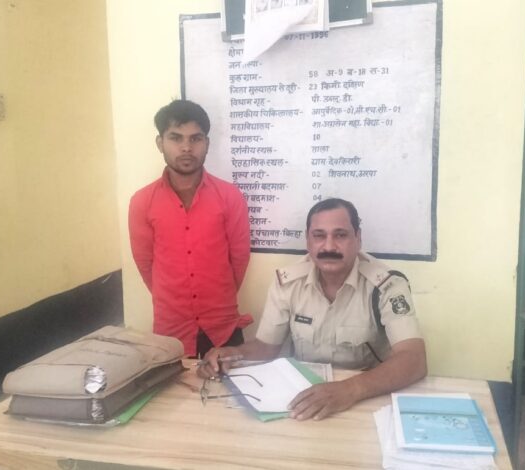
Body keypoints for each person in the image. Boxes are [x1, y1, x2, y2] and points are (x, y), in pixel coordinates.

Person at [197, 198, 427, 420]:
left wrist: (349, 389)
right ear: (308, 241)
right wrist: (231, 354)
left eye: (340, 235)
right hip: (304, 399)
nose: (329, 246)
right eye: (319, 236)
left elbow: (414, 359)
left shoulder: (387, 285)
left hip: (366, 398)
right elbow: (266, 347)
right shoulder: (288, 283)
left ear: (358, 239)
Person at [128, 100, 251, 358]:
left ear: (207, 143)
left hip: (223, 328)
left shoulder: (229, 196)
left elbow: (239, 260)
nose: (186, 147)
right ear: (160, 143)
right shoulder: (142, 201)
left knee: (232, 385)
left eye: (195, 138)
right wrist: (176, 300)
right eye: (176, 138)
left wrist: (215, 299)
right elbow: (145, 264)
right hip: (171, 333)